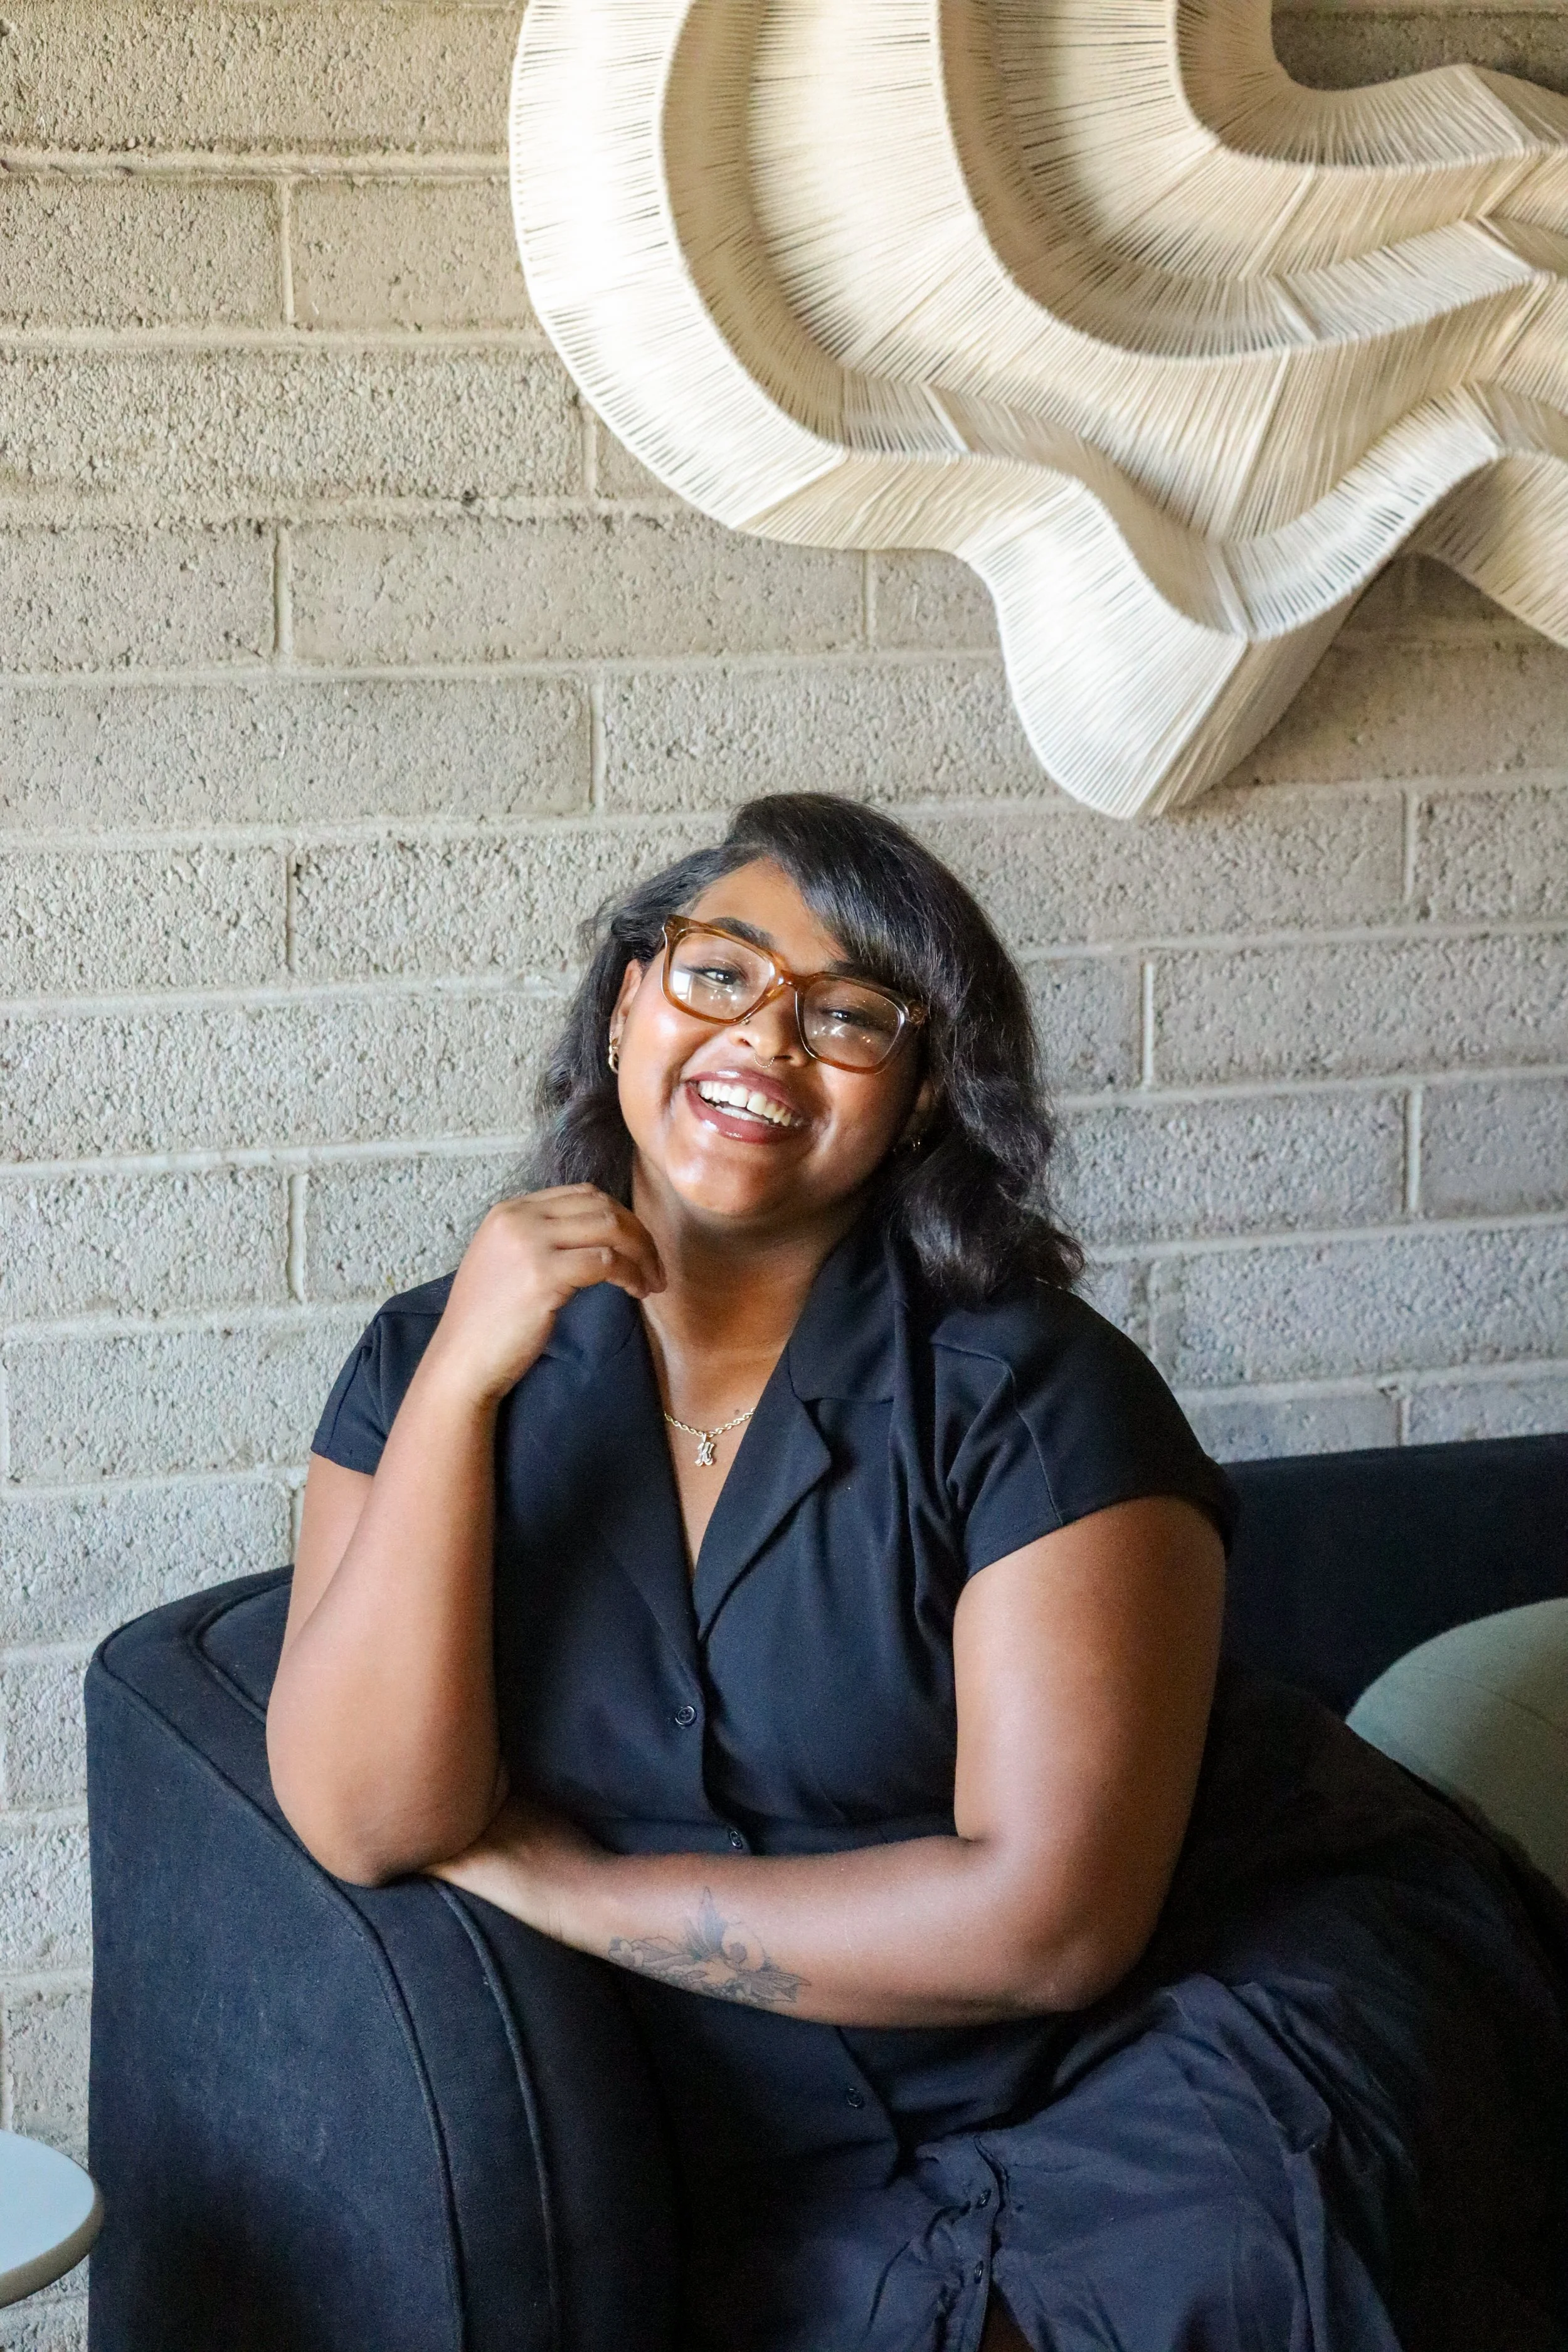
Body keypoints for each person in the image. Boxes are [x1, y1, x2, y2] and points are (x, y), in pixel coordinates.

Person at [267, 793, 1568, 2352]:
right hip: (795, 2109)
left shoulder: (1036, 1393)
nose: (764, 1039)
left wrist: (572, 1886)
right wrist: (464, 1387)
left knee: (1188, 2273)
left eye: (847, 1015)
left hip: (1185, 2022)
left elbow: (1048, 1925)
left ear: (925, 1093)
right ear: (628, 1003)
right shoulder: (430, 1357)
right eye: (719, 974)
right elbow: (362, 1813)